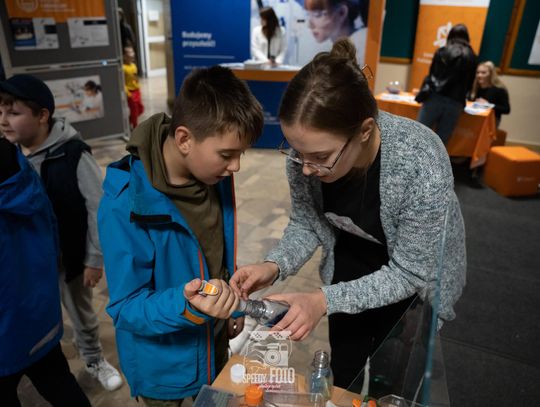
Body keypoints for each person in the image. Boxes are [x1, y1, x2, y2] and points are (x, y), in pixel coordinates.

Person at [230, 39, 466, 388]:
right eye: (295, 152)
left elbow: (410, 272)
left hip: (412, 280)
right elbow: (308, 221)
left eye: (321, 159)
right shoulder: (307, 154)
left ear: (365, 131)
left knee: (396, 376)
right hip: (352, 257)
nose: (305, 169)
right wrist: (273, 265)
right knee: (346, 368)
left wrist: (323, 299)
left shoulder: (420, 160)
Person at [98, 65, 264, 404]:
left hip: (214, 348)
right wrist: (187, 305)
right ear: (185, 139)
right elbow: (126, 307)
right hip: (163, 369)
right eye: (227, 155)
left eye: (240, 154)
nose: (236, 167)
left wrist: (230, 309)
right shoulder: (123, 205)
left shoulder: (214, 176)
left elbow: (217, 258)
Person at [0, 74, 123, 392]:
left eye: (14, 113)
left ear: (42, 115)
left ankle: (94, 357)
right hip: (31, 263)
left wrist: (94, 259)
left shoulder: (73, 154)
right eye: (0, 112)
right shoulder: (11, 157)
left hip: (70, 260)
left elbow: (99, 209)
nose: (4, 121)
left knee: (81, 313)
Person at [0, 137, 91, 406]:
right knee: (60, 383)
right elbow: (51, 229)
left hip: (5, 335)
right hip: (40, 316)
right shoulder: (16, 160)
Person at [416, 24, 478, 144]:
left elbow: (431, 75)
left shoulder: (442, 51)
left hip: (435, 97)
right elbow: (469, 84)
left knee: (419, 134)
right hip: (456, 102)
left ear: (450, 36)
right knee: (441, 142)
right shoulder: (473, 57)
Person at [304, 0, 368, 66]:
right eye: (308, 14)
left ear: (342, 12)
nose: (309, 25)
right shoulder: (334, 48)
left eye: (317, 15)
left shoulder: (363, 43)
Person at [469, 60, 510, 128]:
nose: (479, 75)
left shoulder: (499, 90)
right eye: (477, 72)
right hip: (475, 118)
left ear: (490, 74)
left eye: (483, 73)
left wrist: (488, 105)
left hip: (490, 122)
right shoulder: (474, 88)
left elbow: (506, 109)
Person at [123, 45, 144, 129]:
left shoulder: (134, 66)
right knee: (134, 111)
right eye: (129, 53)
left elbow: (135, 78)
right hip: (130, 92)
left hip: (137, 90)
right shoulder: (123, 68)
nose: (132, 54)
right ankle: (135, 127)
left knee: (140, 108)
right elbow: (122, 82)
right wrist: (127, 93)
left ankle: (129, 121)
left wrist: (137, 83)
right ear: (124, 56)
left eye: (132, 52)